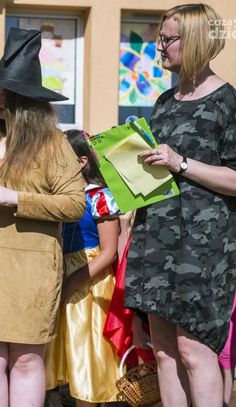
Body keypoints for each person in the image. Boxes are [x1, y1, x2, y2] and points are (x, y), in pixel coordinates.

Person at [0, 28, 85, 406]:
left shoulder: (53, 143)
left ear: (28, 101)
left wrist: (17, 198)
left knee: (26, 361)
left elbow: (75, 204)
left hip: (31, 268)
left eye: (7, 93)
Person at [124, 4, 236, 406]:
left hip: (204, 248)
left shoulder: (227, 101)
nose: (158, 47)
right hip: (156, 237)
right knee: (165, 353)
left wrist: (181, 163)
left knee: (194, 350)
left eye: (166, 39)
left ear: (195, 41)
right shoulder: (163, 102)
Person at [44, 130, 121, 406]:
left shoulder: (99, 196)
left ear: (81, 161)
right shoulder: (57, 197)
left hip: (90, 283)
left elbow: (109, 252)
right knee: (65, 359)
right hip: (63, 277)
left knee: (86, 361)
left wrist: (72, 281)